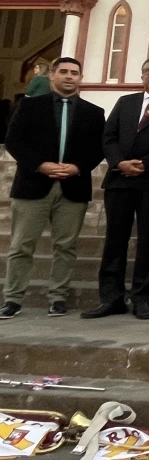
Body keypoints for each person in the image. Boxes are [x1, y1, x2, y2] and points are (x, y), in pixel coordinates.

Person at [82, 57, 149, 320]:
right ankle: (111, 298)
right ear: (142, 76)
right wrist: (120, 162)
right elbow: (108, 136)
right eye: (147, 71)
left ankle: (141, 295)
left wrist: (145, 164)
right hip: (120, 178)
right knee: (114, 240)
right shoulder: (126, 102)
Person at [0, 58, 105, 320]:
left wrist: (78, 167)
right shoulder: (30, 106)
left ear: (80, 78)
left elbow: (98, 148)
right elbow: (14, 140)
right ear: (52, 76)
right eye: (64, 72)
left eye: (75, 73)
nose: (69, 77)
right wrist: (40, 165)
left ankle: (57, 298)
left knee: (66, 246)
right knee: (21, 245)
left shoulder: (93, 112)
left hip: (73, 186)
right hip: (33, 184)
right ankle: (13, 299)